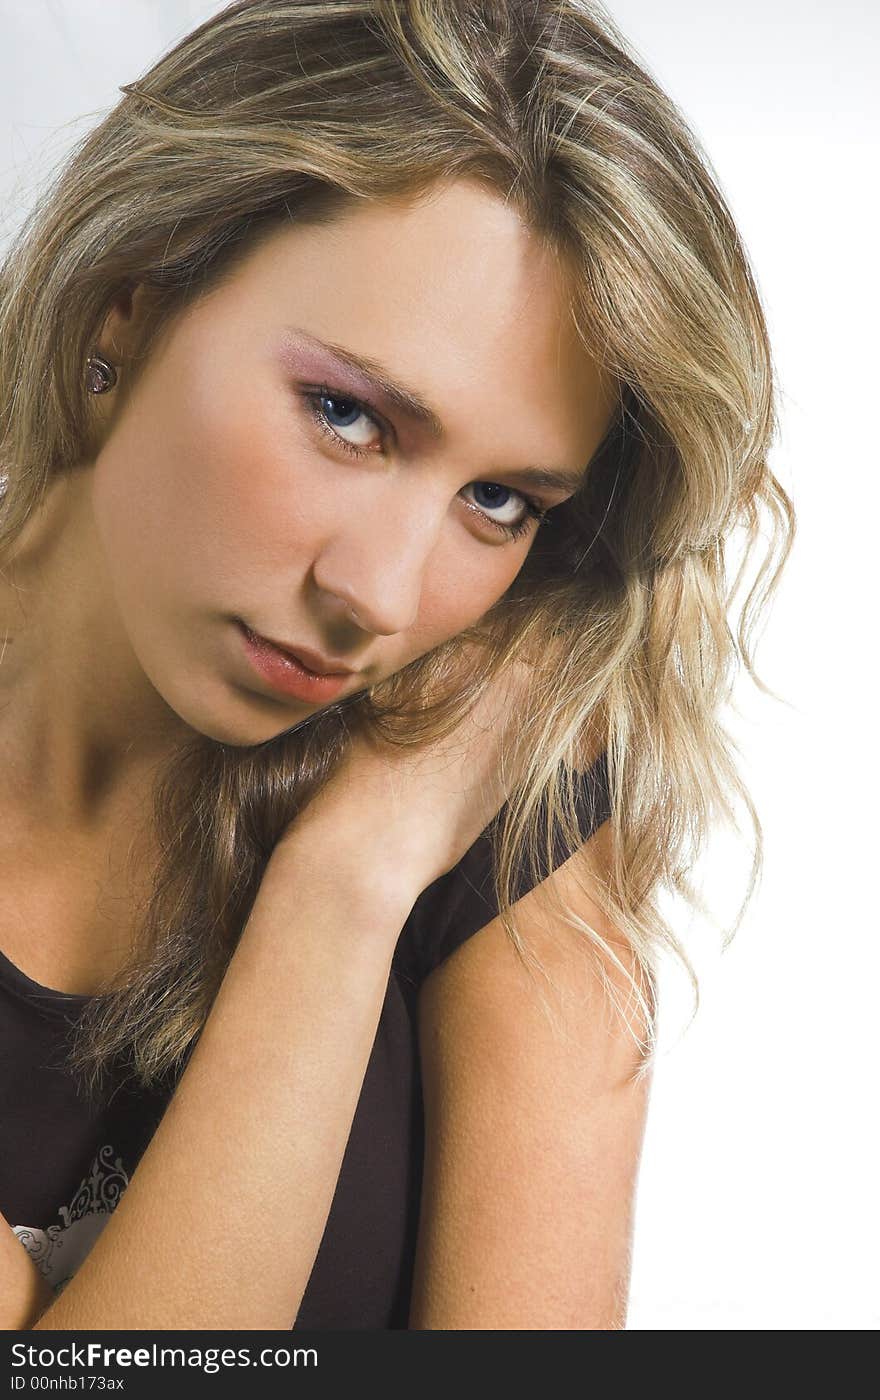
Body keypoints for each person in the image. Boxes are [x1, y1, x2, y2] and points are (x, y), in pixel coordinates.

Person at [0, 0, 794, 1331]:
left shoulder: (497, 804)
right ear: (126, 308)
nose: (376, 596)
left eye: (499, 501)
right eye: (347, 415)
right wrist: (343, 901)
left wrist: (353, 870)